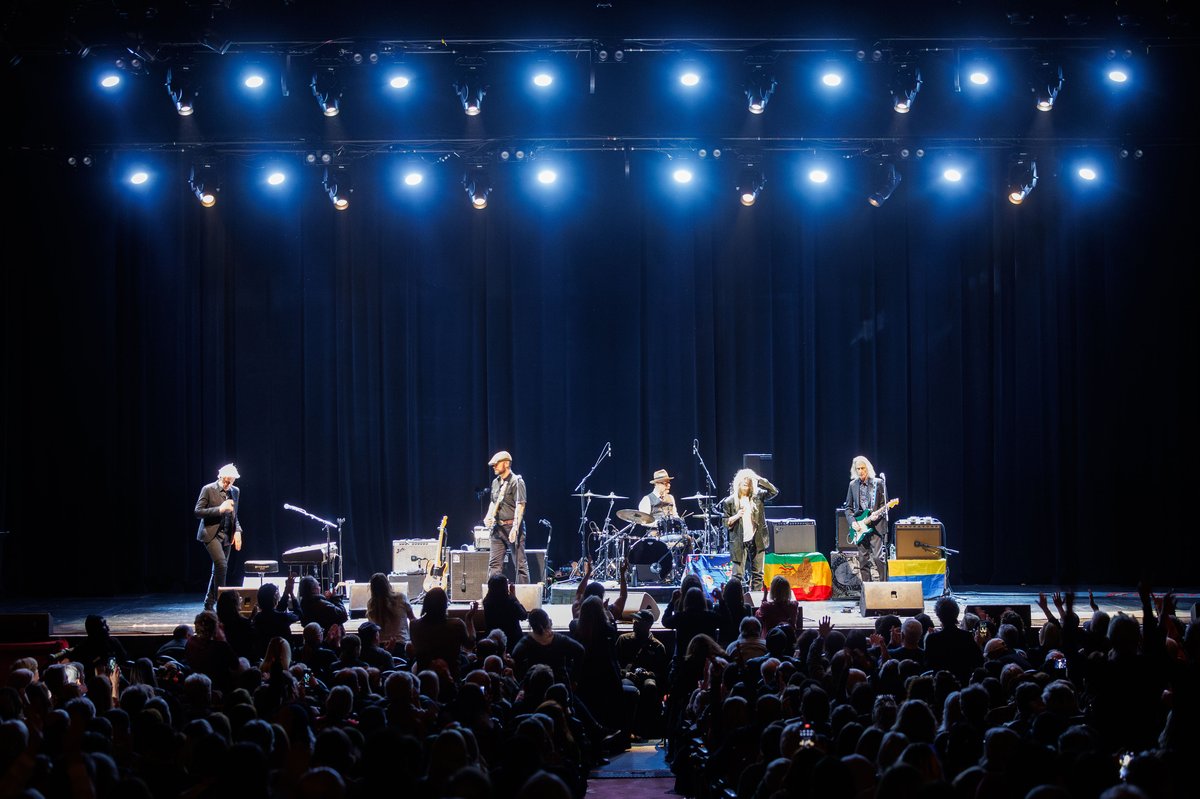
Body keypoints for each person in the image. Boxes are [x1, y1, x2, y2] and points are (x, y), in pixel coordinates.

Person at [195, 463, 244, 610]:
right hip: (211, 534)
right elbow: (198, 512)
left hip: (227, 535)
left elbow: (235, 514)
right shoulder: (208, 489)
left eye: (232, 481)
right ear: (221, 477)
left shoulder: (235, 491)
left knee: (219, 570)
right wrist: (220, 509)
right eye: (226, 481)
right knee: (221, 565)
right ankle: (222, 604)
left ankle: (209, 603)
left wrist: (237, 530)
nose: (228, 484)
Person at [720, 468, 779, 591]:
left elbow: (774, 491)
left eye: (749, 484)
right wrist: (737, 516)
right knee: (737, 575)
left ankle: (756, 599)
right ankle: (736, 599)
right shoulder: (730, 501)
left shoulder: (758, 496)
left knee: (758, 575)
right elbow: (725, 522)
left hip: (757, 540)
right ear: (738, 484)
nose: (747, 487)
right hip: (739, 542)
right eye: (744, 484)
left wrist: (759, 479)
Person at [482, 450, 529, 584]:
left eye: (496, 464)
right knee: (494, 565)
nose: (494, 467)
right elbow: (493, 502)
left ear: (506, 464)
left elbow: (520, 506)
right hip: (497, 529)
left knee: (520, 565)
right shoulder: (495, 482)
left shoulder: (517, 481)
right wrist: (488, 516)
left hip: (512, 527)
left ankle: (523, 594)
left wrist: (515, 528)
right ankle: (494, 594)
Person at [844, 455, 890, 583]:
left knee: (878, 558)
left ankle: (884, 587)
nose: (860, 471)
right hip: (860, 527)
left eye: (862, 468)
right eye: (858, 469)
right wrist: (853, 522)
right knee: (863, 560)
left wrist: (877, 515)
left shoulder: (878, 483)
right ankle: (867, 589)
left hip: (876, 526)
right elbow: (848, 508)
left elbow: (884, 506)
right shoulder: (852, 485)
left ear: (867, 468)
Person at [365, 572, 415, 652]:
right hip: (401, 643)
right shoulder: (401, 597)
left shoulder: (371, 604)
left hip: (381, 647)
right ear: (388, 584)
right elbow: (412, 619)